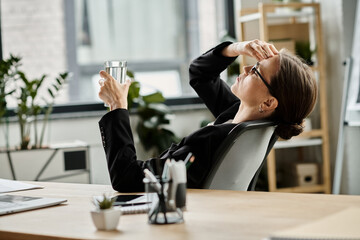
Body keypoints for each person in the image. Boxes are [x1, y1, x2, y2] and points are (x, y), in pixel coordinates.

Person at [98, 40, 317, 192]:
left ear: (268, 102)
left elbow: (126, 177)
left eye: (256, 71)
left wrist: (118, 105)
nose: (246, 68)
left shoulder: (211, 140)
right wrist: (238, 48)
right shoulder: (254, 125)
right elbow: (200, 74)